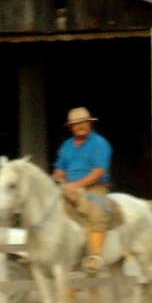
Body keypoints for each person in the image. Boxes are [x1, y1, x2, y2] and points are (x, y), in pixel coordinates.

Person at [52, 107, 115, 271]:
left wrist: (75, 185)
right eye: (76, 123)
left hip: (95, 187)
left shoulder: (100, 143)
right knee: (50, 211)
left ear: (90, 124)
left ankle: (95, 257)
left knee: (96, 211)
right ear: (71, 127)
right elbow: (60, 168)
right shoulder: (67, 145)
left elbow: (99, 171)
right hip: (70, 188)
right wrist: (61, 178)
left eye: (83, 122)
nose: (80, 126)